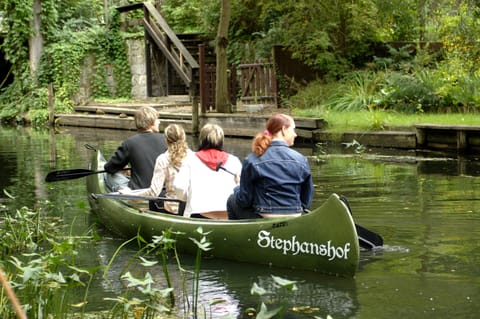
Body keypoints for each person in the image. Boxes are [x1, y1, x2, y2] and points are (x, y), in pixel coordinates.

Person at [227, 113, 314, 219]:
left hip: (266, 216)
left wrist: (237, 187)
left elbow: (244, 201)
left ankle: (241, 234)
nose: (295, 134)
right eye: (293, 130)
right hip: (294, 216)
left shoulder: (252, 160)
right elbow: (306, 202)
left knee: (232, 200)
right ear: (283, 129)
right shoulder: (301, 160)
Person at [119, 124, 192, 215]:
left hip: (173, 210)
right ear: (184, 138)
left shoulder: (163, 159)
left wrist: (130, 194)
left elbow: (153, 192)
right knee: (162, 193)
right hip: (190, 207)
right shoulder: (193, 156)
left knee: (154, 199)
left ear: (166, 140)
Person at [173, 123, 242, 219]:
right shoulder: (234, 160)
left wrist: (188, 198)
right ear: (221, 140)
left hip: (199, 214)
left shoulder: (190, 159)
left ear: (201, 140)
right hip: (228, 215)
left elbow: (178, 186)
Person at [104, 106, 167, 191]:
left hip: (139, 191)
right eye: (157, 119)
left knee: (107, 175)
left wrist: (123, 169)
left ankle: (125, 192)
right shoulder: (167, 140)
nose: (159, 122)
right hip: (164, 190)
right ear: (151, 122)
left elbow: (109, 168)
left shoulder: (129, 143)